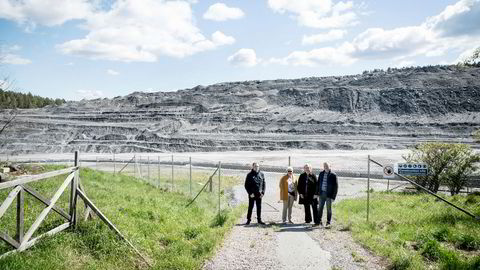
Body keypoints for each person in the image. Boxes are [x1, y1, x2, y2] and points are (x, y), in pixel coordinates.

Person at [315, 162, 338, 227]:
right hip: (321, 194)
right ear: (323, 167)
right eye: (324, 166)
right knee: (320, 208)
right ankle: (319, 222)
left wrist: (333, 197)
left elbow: (336, 187)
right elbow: (318, 184)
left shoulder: (333, 175)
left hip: (329, 195)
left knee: (329, 209)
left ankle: (328, 222)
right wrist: (317, 193)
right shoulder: (321, 173)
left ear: (329, 166)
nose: (326, 167)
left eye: (327, 166)